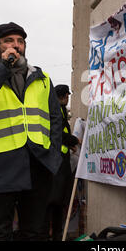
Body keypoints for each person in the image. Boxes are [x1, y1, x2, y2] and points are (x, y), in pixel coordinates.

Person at [0, 22, 63, 241]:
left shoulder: (42, 77)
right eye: (9, 41)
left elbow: (55, 119)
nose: (16, 46)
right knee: (1, 231)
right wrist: (2, 69)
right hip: (3, 163)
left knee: (36, 231)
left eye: (20, 41)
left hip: (39, 162)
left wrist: (54, 154)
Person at [44, 84, 79, 241]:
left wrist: (69, 144)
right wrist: (74, 140)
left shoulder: (61, 111)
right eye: (67, 96)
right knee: (54, 201)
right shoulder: (55, 111)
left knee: (58, 201)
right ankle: (52, 234)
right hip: (56, 164)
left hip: (61, 163)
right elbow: (58, 133)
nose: (68, 98)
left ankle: (56, 234)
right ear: (62, 96)